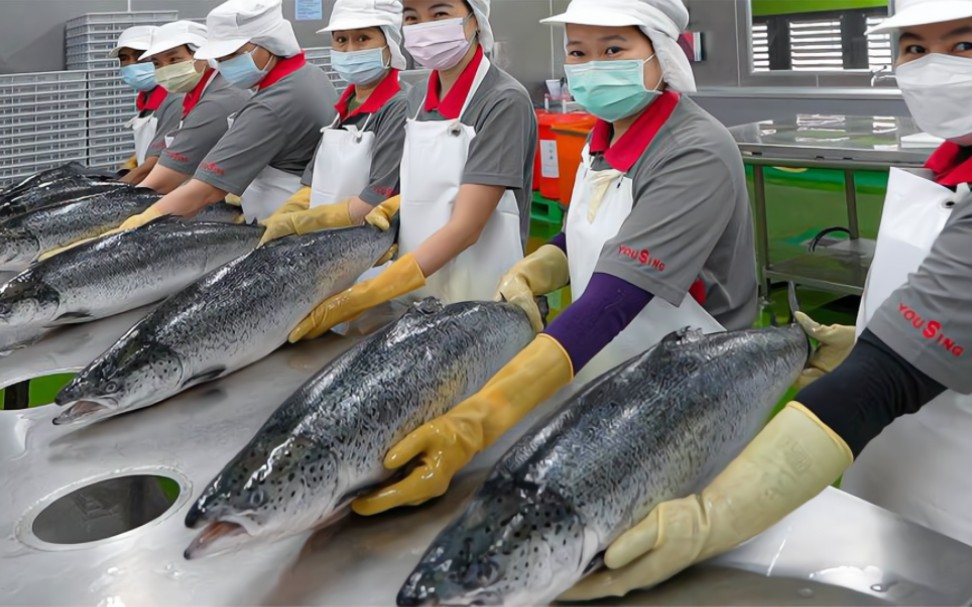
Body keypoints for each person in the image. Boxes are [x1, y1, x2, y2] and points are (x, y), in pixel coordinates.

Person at [556, 0, 972, 600]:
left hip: (956, 513)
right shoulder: (946, 170)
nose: (934, 68)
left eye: (962, 45)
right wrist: (864, 343)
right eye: (914, 48)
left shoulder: (693, 146)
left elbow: (890, 375)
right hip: (882, 486)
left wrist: (706, 521)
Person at [346, 0, 758, 519]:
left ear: (660, 53)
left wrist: (476, 421)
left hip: (688, 386)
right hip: (612, 368)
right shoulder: (604, 136)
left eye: (614, 49)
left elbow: (614, 299)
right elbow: (584, 232)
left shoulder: (695, 151)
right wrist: (544, 263)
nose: (591, 66)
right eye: (578, 52)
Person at [281, 0, 538, 343]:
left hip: (480, 302)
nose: (423, 26)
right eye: (412, 17)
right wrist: (394, 212)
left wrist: (368, 293)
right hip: (417, 296)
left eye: (440, 13)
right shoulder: (417, 97)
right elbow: (425, 189)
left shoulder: (503, 100)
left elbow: (466, 228)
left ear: (475, 21)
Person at [107, 0, 338, 227]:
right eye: (221, 57)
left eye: (234, 54)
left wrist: (135, 224)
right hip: (300, 217)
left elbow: (203, 192)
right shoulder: (308, 74)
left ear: (269, 44)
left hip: (281, 223)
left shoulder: (269, 105)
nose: (225, 64)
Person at [257, 0, 410, 243]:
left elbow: (376, 198)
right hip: (324, 242)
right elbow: (312, 181)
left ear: (389, 44)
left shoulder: (398, 106)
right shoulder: (344, 104)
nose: (350, 50)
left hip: (365, 247)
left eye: (363, 38)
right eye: (341, 40)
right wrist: (287, 212)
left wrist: (301, 222)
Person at [122, 20, 251, 192]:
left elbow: (163, 178)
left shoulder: (217, 101)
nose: (165, 70)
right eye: (157, 64)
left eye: (174, 59)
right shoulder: (194, 94)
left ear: (202, 56)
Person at [110, 25, 182, 178]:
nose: (131, 65)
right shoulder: (146, 99)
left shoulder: (176, 100)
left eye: (141, 57)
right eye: (124, 58)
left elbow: (160, 160)